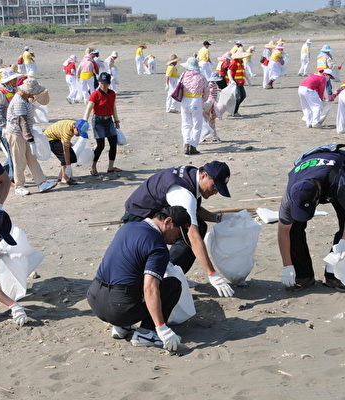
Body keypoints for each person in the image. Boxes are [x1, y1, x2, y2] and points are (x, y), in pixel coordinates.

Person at [121, 162, 235, 298]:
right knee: (189, 235)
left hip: (157, 214)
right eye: (215, 186)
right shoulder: (184, 194)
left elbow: (194, 209)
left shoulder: (193, 175)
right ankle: (163, 276)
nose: (216, 192)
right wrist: (212, 274)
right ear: (204, 176)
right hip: (139, 219)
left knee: (200, 225)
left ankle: (173, 272)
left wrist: (218, 218)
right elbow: (193, 236)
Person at [87, 206, 190, 350]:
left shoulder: (128, 227)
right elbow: (150, 289)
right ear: (167, 222)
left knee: (131, 274)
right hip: (120, 309)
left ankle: (122, 327)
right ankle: (147, 333)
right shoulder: (158, 246)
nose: (176, 239)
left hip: (94, 299)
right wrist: (162, 328)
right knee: (172, 285)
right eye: (178, 233)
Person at [278, 144, 345, 292]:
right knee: (294, 229)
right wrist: (287, 266)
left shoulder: (339, 183)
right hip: (307, 167)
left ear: (318, 201)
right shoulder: (290, 195)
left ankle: (335, 276)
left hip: (338, 167)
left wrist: (344, 240)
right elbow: (283, 231)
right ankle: (303, 276)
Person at [5, 78, 56, 196]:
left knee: (31, 158)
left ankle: (41, 182)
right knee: (19, 160)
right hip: (16, 133)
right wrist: (30, 139)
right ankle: (19, 186)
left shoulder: (25, 99)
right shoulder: (19, 101)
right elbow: (22, 122)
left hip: (24, 133)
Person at [83, 71, 121, 176]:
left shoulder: (112, 93)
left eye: (105, 83)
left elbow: (113, 107)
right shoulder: (95, 94)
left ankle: (110, 167)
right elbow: (89, 108)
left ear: (109, 83)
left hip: (109, 120)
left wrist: (116, 120)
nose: (103, 85)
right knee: (101, 145)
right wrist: (84, 121)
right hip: (98, 121)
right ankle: (93, 166)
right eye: (101, 83)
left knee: (113, 143)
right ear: (99, 82)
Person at [0, 68, 23, 181]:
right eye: (14, 79)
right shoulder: (0, 93)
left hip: (12, 125)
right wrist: (5, 127)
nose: (16, 81)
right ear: (8, 81)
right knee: (12, 152)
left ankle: (4, 173)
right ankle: (11, 178)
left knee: (12, 151)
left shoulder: (13, 90)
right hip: (4, 126)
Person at [43, 119, 89, 185]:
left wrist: (69, 143)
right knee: (65, 157)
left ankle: (60, 177)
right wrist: (68, 166)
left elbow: (63, 137)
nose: (79, 135)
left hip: (57, 138)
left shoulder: (73, 126)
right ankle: (64, 179)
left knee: (72, 157)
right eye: (79, 132)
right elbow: (65, 151)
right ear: (75, 127)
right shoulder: (67, 131)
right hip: (49, 139)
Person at [178, 57, 209, 154]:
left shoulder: (183, 75)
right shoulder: (201, 77)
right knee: (197, 124)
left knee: (186, 124)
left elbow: (178, 87)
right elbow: (206, 92)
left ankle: (186, 143)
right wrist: (202, 100)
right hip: (196, 100)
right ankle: (193, 146)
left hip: (185, 101)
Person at [202, 72, 223, 142]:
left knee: (207, 120)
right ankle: (213, 136)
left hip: (209, 102)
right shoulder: (211, 84)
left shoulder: (211, 83)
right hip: (211, 102)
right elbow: (210, 90)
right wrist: (218, 90)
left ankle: (205, 136)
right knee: (211, 121)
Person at [228, 51, 248, 117]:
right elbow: (229, 71)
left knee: (243, 96)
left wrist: (247, 80)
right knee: (238, 97)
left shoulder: (241, 62)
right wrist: (231, 80)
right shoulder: (234, 62)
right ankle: (234, 111)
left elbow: (242, 72)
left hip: (240, 82)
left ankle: (233, 110)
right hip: (235, 82)